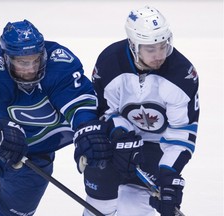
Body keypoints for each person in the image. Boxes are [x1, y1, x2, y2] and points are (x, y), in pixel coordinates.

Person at [0, 19, 115, 216]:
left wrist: (85, 129)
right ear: (6, 58)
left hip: (36, 157)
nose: (30, 69)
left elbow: (78, 102)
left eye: (35, 60)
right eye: (22, 62)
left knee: (9, 214)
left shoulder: (60, 64)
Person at [82, 5, 200, 216]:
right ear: (133, 45)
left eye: (163, 46)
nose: (159, 55)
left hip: (156, 147)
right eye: (151, 49)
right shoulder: (110, 63)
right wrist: (120, 135)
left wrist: (168, 174)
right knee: (99, 205)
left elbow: (181, 133)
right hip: (115, 141)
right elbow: (104, 112)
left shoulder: (182, 74)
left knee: (133, 210)